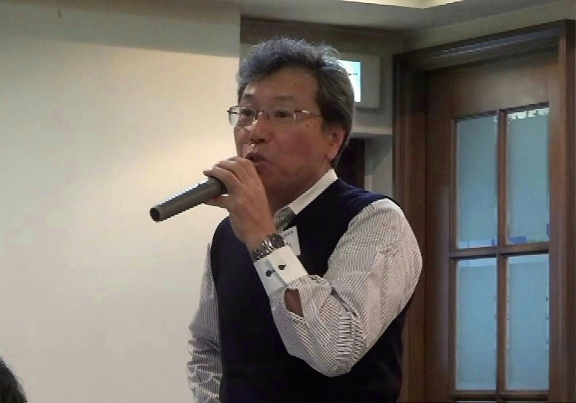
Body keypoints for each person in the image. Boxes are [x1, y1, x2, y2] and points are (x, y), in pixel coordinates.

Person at [187, 37, 422, 403]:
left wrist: (264, 239)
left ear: (333, 139)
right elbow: (208, 349)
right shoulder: (229, 233)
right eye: (247, 113)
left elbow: (334, 350)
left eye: (282, 114)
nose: (255, 131)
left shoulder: (375, 220)